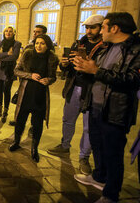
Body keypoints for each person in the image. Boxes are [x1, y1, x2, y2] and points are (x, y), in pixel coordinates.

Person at [73, 12, 140, 203]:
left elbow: (132, 80)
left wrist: (95, 70)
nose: (101, 30)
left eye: (103, 26)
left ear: (115, 28)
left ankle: (111, 194)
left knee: (113, 153)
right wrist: (83, 69)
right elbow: (97, 75)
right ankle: (99, 177)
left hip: (115, 111)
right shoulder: (106, 48)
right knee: (98, 146)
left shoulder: (135, 50)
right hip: (95, 106)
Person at [47, 14, 106, 175]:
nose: (88, 31)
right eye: (86, 27)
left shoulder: (105, 48)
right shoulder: (79, 43)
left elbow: (105, 72)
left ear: (101, 28)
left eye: (92, 27)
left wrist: (91, 67)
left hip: (92, 91)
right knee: (68, 120)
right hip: (74, 87)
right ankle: (65, 146)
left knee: (88, 127)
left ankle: (84, 158)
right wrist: (64, 64)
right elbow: (69, 68)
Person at [9, 34, 59, 163]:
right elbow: (16, 71)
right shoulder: (28, 54)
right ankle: (16, 141)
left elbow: (53, 76)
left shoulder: (52, 58)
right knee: (20, 120)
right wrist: (30, 75)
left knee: (37, 124)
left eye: (42, 43)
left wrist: (49, 80)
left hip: (40, 96)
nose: (39, 46)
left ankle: (34, 148)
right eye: (37, 43)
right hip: (26, 93)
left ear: (47, 45)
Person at [0, 26, 21, 123]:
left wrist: (2, 57)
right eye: (6, 31)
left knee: (7, 90)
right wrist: (7, 53)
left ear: (14, 33)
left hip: (9, 70)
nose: (8, 33)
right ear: (4, 33)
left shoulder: (17, 44)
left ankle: (5, 111)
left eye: (10, 31)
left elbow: (14, 57)